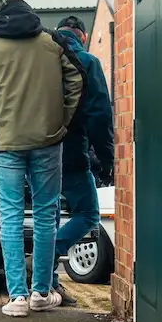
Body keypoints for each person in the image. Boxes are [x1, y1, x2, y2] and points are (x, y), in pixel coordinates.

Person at [0, 0, 84, 318]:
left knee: (11, 219)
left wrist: (0, 110)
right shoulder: (52, 41)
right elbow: (77, 81)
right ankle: (42, 292)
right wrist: (61, 121)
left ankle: (16, 297)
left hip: (7, 142)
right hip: (48, 140)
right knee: (47, 216)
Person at [51, 16, 114, 300]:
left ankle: (46, 282)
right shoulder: (87, 62)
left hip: (34, 151)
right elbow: (99, 116)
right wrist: (107, 159)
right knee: (88, 214)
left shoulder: (43, 59)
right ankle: (46, 255)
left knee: (46, 216)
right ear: (83, 36)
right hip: (72, 153)